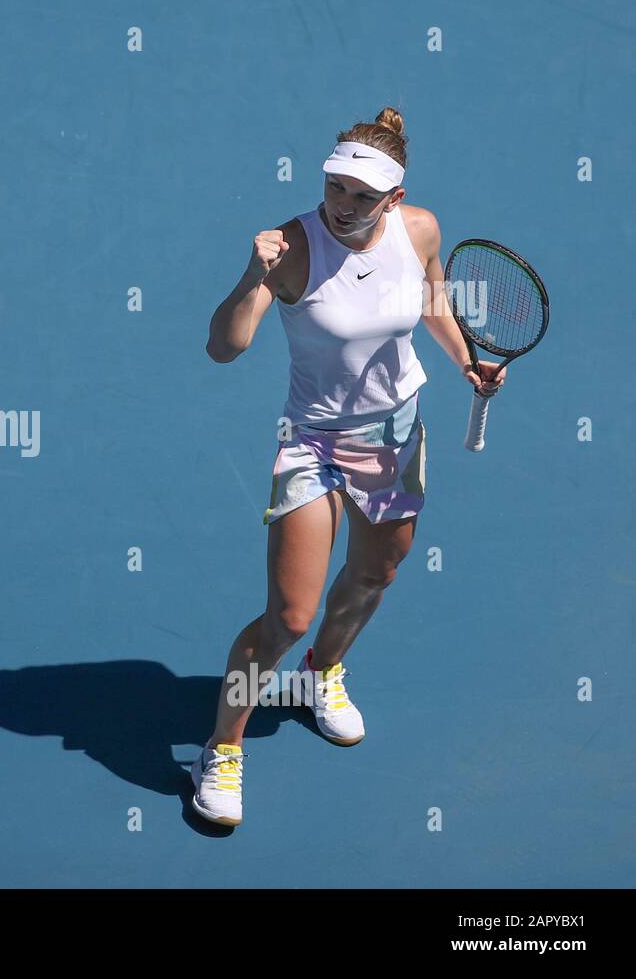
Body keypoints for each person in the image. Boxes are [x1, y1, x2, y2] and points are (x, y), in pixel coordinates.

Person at [194, 107, 506, 827]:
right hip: (313, 443)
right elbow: (224, 347)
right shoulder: (293, 248)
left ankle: (322, 676)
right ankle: (222, 749)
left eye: (362, 197)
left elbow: (429, 296)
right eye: (335, 187)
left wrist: (466, 362)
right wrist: (252, 276)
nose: (342, 205)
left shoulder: (420, 228)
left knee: (375, 575)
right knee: (289, 615)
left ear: (394, 201)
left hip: (395, 436)